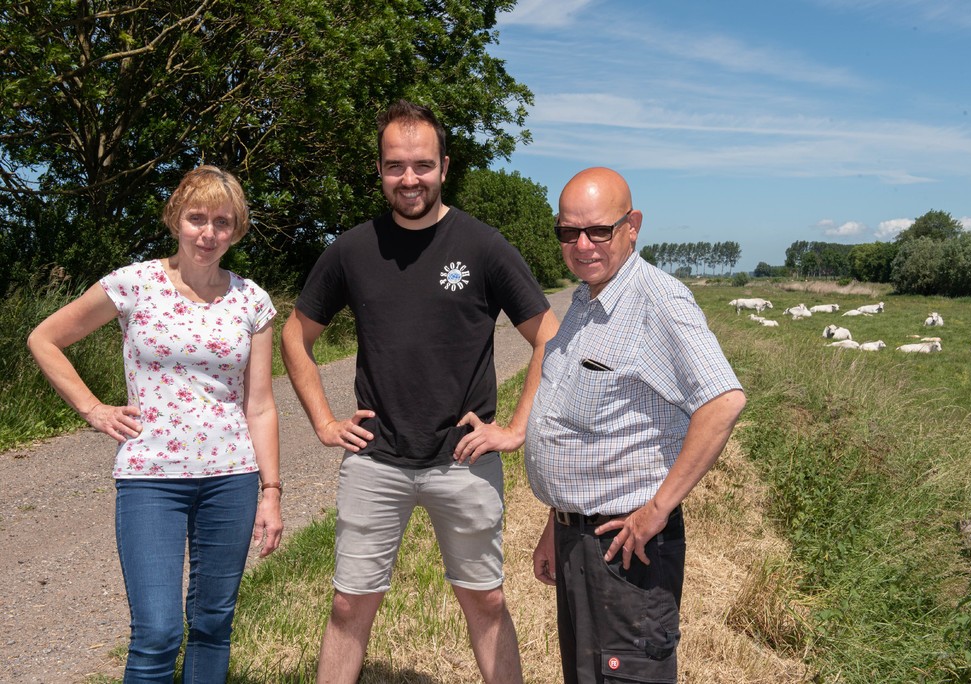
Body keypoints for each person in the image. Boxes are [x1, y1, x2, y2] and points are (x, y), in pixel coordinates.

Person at [280, 99, 559, 684]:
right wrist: (325, 423)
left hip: (463, 460)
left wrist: (515, 428)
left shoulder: (483, 245)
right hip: (375, 461)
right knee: (348, 605)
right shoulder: (353, 249)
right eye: (395, 166)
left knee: (485, 601)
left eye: (422, 165)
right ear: (380, 170)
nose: (409, 179)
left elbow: (548, 336)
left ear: (444, 167)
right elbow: (295, 336)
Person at [27, 165, 283, 682]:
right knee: (158, 631)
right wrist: (93, 409)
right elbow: (44, 338)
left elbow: (260, 404)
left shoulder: (251, 300)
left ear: (237, 230)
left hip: (230, 477)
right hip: (150, 477)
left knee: (213, 623)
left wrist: (271, 491)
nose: (207, 233)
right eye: (196, 218)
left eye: (222, 222)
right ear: (175, 219)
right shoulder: (134, 283)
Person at [525, 167, 747, 683]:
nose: (582, 245)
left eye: (598, 230)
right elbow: (585, 433)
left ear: (633, 226)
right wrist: (555, 526)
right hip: (578, 539)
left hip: (628, 551)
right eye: (568, 232)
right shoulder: (585, 301)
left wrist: (656, 510)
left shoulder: (656, 302)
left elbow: (723, 402)